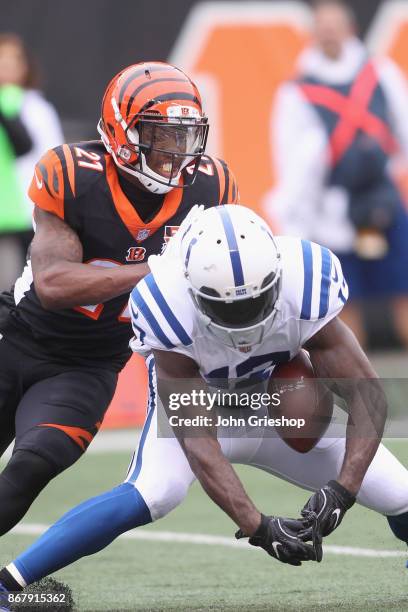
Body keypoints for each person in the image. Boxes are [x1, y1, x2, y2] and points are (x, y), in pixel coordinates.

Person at [2, 205, 408, 602]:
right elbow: (200, 444)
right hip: (203, 407)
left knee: (400, 494)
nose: (243, 317)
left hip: (275, 404)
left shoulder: (307, 281)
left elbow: (367, 395)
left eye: (254, 300)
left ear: (279, 277)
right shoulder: (166, 303)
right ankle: (7, 587)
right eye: (226, 304)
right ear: (191, 287)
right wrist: (258, 526)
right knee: (153, 492)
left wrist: (341, 493)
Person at [0, 61, 238, 540]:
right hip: (16, 338)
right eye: (160, 135)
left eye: (185, 137)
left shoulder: (211, 187)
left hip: (89, 366)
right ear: (121, 131)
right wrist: (160, 267)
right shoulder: (75, 174)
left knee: (32, 464)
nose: (176, 152)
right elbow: (53, 285)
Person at [264, 0, 408, 347]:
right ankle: (361, 390)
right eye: (322, 26)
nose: (329, 33)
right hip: (331, 211)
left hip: (381, 202)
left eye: (335, 25)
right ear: (313, 33)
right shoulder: (295, 93)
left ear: (350, 29)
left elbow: (403, 132)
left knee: (403, 287)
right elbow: (290, 162)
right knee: (342, 301)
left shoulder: (380, 73)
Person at [0, 34, 64, 289]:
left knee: (20, 286)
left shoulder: (38, 109)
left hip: (28, 215)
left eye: (12, 60)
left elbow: (51, 156)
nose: (5, 66)